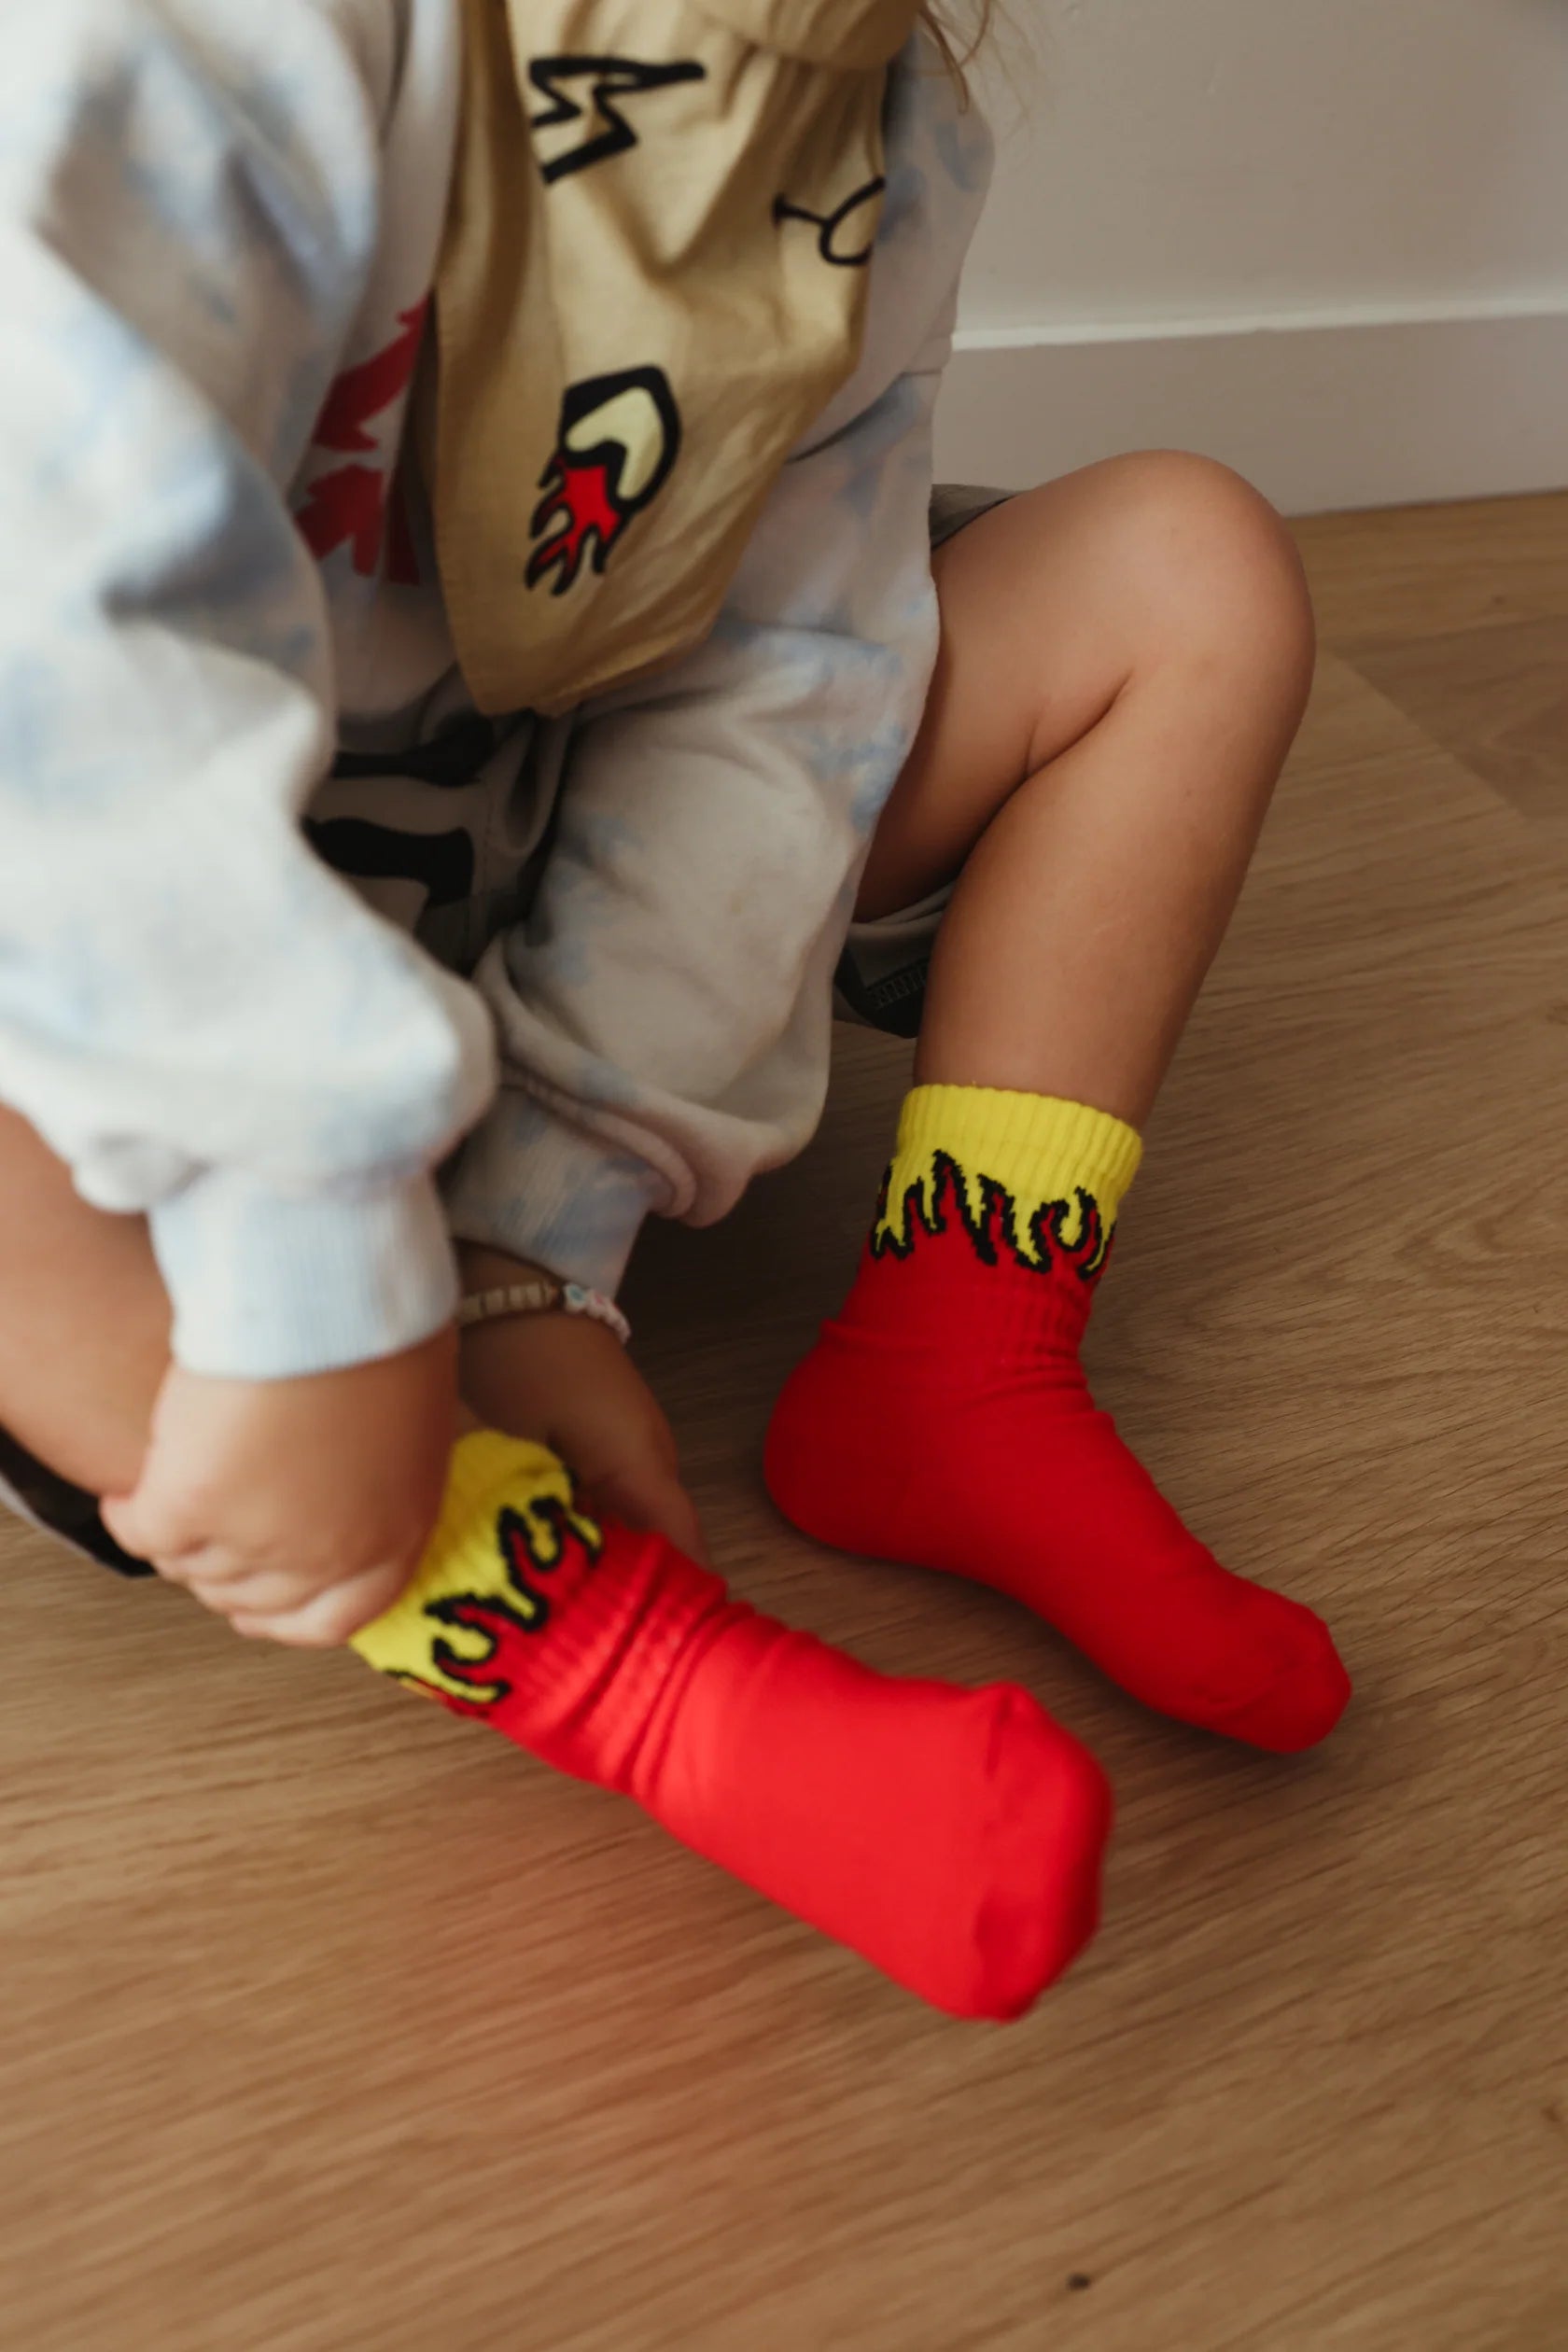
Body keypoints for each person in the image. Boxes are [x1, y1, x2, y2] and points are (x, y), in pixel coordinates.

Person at [0, 0, 1349, 2021]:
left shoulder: (861, 95)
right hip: (141, 943)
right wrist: (314, 1267)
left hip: (505, 834)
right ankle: (627, 1673)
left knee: (1187, 569)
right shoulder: (185, 44)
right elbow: (62, 676)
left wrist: (537, 1245)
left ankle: (959, 1358)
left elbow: (786, 676)